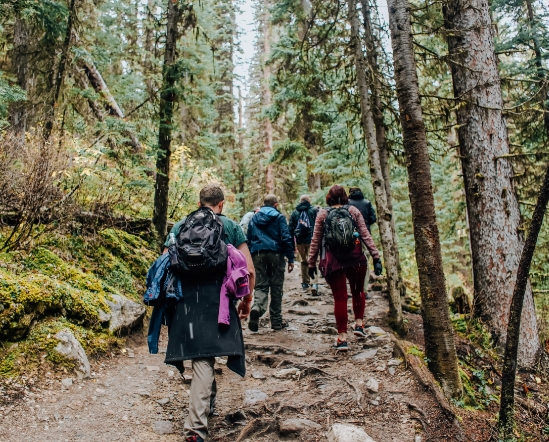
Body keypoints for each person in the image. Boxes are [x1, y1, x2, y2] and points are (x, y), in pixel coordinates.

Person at [162, 185, 256, 442]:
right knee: (204, 357)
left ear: (199, 202)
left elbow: (163, 262)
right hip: (218, 299)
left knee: (201, 354)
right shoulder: (231, 227)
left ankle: (207, 404)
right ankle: (195, 429)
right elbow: (248, 269)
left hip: (186, 299)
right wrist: (246, 300)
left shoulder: (180, 225)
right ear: (221, 204)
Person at [308, 185, 382, 351]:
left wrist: (311, 263)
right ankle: (359, 325)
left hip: (333, 261)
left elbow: (316, 240)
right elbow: (365, 235)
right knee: (358, 292)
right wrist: (376, 257)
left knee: (340, 298)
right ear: (345, 196)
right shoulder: (354, 211)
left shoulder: (323, 214)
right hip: (356, 258)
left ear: (329, 197)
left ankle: (342, 338)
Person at [246, 194, 295, 331]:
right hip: (275, 254)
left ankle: (257, 308)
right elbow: (286, 237)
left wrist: (250, 257)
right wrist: (290, 258)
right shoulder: (279, 217)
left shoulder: (254, 217)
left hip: (258, 254)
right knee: (276, 287)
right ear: (276, 204)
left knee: (261, 286)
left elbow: (249, 237)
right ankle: (276, 322)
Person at [288, 195, 317, 292]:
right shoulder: (314, 210)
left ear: (300, 201)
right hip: (312, 240)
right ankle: (314, 284)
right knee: (313, 260)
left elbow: (290, 229)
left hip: (300, 241)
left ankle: (305, 283)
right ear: (309, 201)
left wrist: (292, 245)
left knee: (304, 261)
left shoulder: (295, 212)